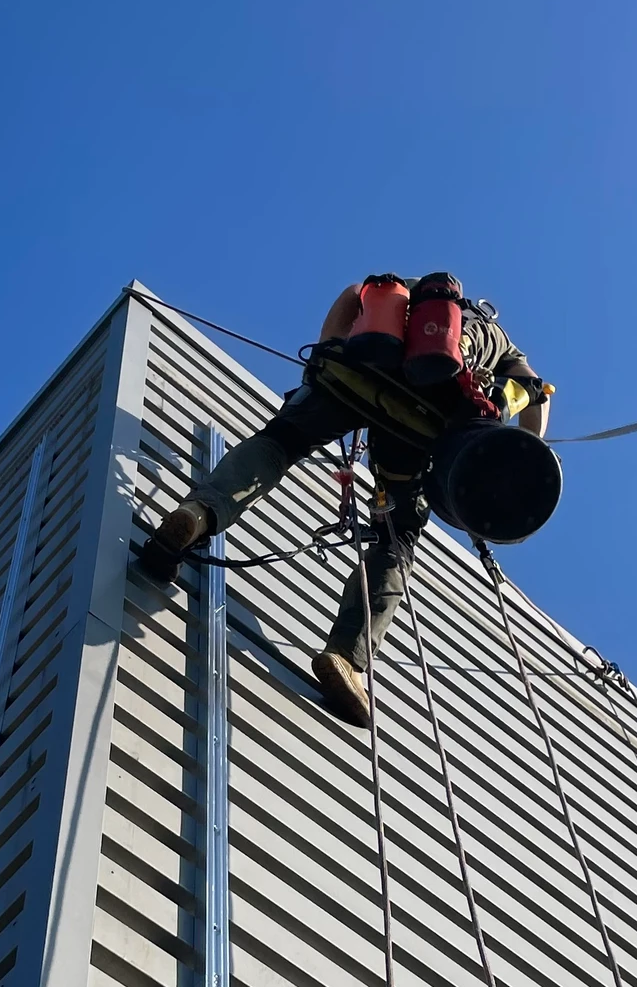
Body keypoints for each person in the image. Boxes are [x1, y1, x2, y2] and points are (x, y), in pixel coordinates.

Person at [138, 272, 550, 728]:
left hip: (355, 375)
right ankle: (347, 657)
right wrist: (509, 457)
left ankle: (196, 514)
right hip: (427, 423)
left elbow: (355, 295)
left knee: (282, 442)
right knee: (397, 536)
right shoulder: (501, 342)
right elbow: (536, 399)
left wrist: (328, 349)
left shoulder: (404, 291)